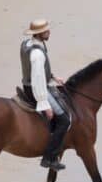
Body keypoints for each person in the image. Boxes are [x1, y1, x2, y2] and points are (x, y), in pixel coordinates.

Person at [20, 18, 71, 171]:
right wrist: (44, 103)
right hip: (37, 89)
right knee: (64, 120)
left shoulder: (28, 44)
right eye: (47, 31)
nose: (49, 32)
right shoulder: (37, 53)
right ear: (40, 33)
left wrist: (53, 77)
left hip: (30, 84)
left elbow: (38, 70)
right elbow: (37, 79)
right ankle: (48, 157)